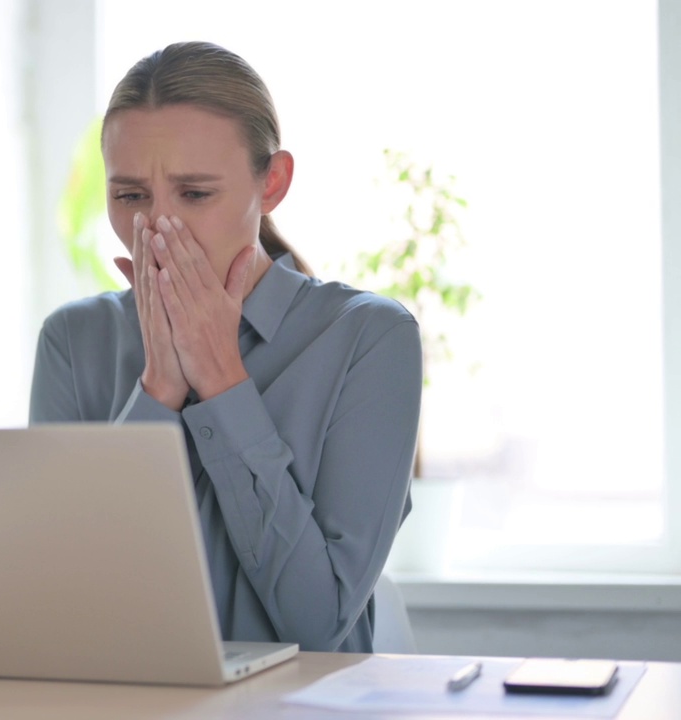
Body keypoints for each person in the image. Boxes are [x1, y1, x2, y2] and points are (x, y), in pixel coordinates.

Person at [29, 41, 422, 653]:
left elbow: (316, 624)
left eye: (195, 194)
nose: (158, 227)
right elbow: (68, 601)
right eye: (130, 196)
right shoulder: (73, 341)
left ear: (273, 182)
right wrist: (158, 387)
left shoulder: (369, 338)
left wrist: (221, 381)